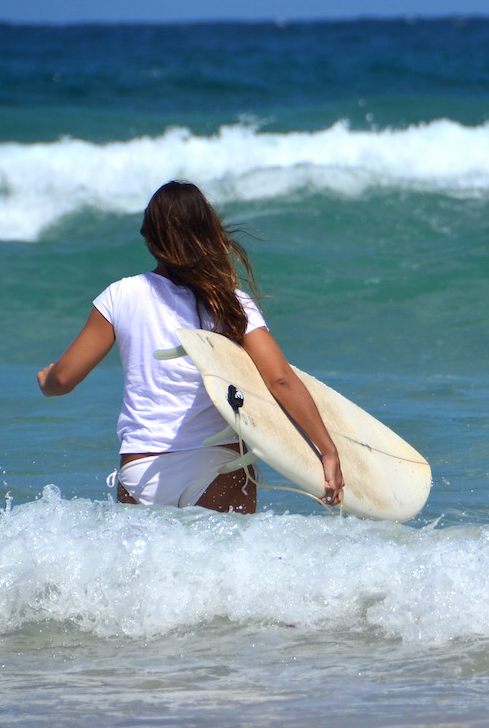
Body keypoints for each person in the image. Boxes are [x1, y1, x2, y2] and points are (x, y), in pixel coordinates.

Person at [37, 181, 343, 513]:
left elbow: (64, 379)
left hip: (143, 469)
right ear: (207, 233)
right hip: (219, 465)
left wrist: (48, 379)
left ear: (150, 237)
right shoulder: (231, 302)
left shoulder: (121, 295)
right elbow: (280, 379)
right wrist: (326, 450)